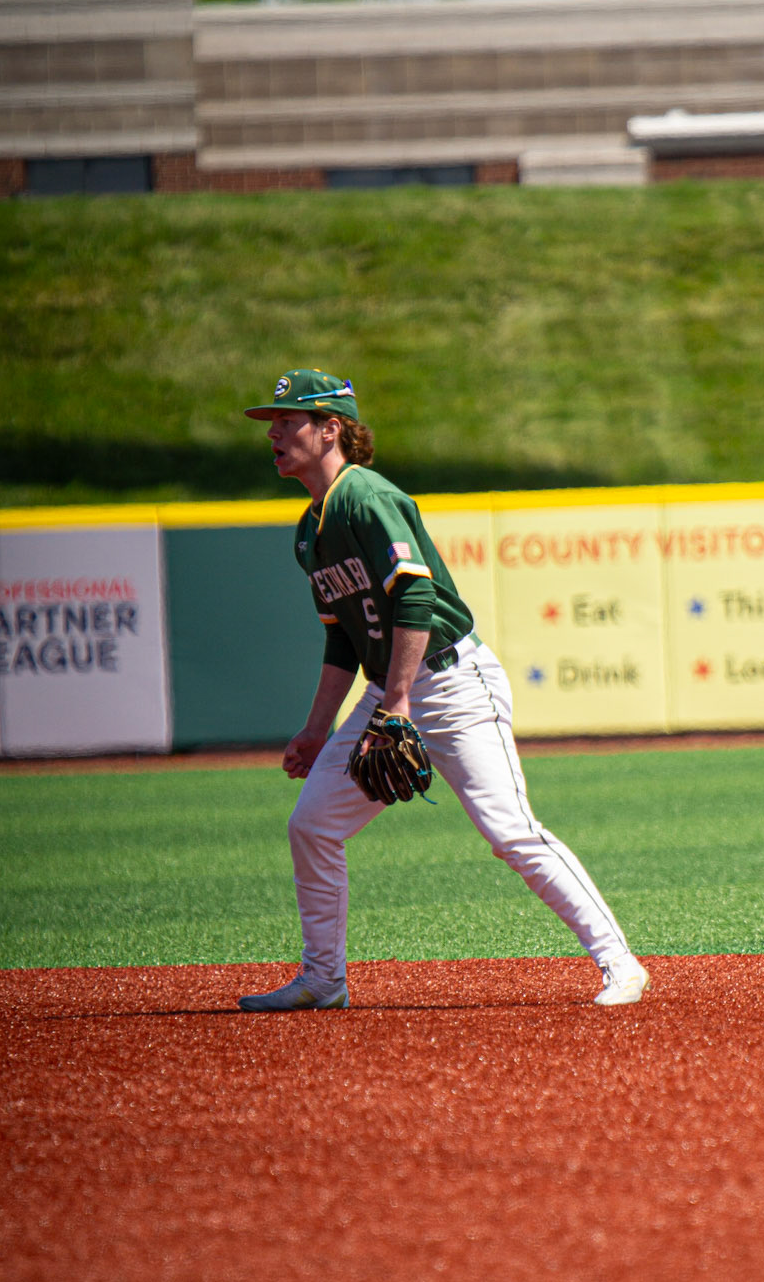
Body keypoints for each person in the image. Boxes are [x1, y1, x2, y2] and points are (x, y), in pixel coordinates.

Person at [238, 369, 650, 1013]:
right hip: (391, 691)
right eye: (273, 423)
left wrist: (397, 702)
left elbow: (417, 597)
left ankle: (620, 963)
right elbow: (343, 638)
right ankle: (323, 979)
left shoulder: (366, 497)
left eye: (289, 421)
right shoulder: (308, 530)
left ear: (330, 429)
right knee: (312, 825)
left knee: (510, 832)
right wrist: (318, 728)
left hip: (453, 684)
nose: (275, 433)